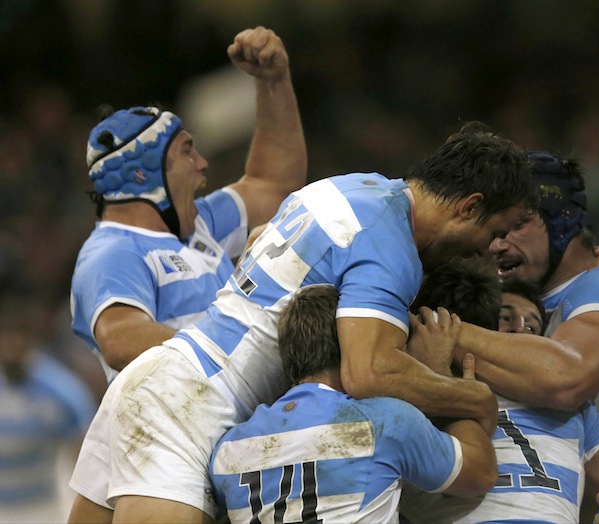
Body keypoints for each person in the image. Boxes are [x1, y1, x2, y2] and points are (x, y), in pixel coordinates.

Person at [70, 119, 536, 523]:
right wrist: (471, 398)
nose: (487, 250)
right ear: (470, 206)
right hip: (192, 406)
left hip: (160, 377)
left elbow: (255, 238)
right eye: (493, 232)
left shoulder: (350, 187)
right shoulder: (389, 243)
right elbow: (369, 371)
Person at [66, 26, 307, 523]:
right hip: (167, 433)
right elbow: (119, 337)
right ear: (140, 175)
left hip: (194, 427)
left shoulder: (201, 226)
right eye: (186, 151)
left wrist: (274, 83)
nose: (202, 165)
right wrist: (244, 347)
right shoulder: (111, 251)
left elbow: (273, 181)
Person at [454, 151, 599, 522]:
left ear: (562, 223)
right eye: (494, 230)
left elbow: (565, 380)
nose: (496, 244)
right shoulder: (513, 292)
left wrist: (432, 331)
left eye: (514, 226)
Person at [209, 284, 497, 523]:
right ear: (353, 347)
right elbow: (480, 473)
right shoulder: (384, 423)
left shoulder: (226, 450)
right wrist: (445, 379)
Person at [400, 257, 599, 524]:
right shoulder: (425, 382)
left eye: (532, 326)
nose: (520, 328)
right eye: (505, 317)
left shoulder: (573, 409)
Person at [0, 296, 96, 523]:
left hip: (42, 509)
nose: (12, 344)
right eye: (5, 336)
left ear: (33, 339)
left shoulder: (62, 391)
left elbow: (85, 452)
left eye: (20, 336)